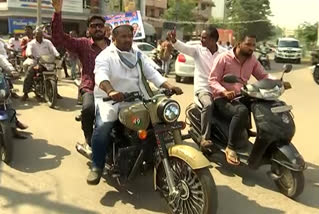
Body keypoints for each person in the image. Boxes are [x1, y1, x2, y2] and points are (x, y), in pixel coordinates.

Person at [88, 24, 183, 185]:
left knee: (159, 119)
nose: (128, 39)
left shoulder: (138, 54)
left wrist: (168, 86)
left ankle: (153, 154)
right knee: (103, 126)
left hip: (138, 98)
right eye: (123, 36)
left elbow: (152, 73)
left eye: (130, 36)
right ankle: (97, 165)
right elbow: (101, 75)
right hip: (111, 100)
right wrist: (110, 90)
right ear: (114, 38)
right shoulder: (105, 56)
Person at [51, 0, 111, 148]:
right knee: (88, 108)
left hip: (114, 87)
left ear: (105, 29)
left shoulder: (114, 46)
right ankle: (89, 138)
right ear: (88, 30)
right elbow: (59, 38)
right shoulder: (82, 44)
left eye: (100, 25)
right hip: (90, 87)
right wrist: (57, 12)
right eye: (93, 26)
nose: (97, 28)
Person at [209, 34, 270, 166]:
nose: (251, 48)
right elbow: (212, 80)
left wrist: (277, 82)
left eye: (253, 45)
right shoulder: (223, 58)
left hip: (241, 95)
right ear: (239, 44)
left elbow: (263, 75)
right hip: (222, 98)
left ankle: (248, 130)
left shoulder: (252, 60)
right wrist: (224, 91)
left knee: (261, 103)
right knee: (241, 111)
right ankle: (230, 147)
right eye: (248, 44)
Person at [167, 25, 226, 150]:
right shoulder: (198, 50)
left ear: (213, 39)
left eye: (204, 38)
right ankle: (205, 138)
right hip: (204, 89)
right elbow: (184, 48)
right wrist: (174, 41)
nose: (201, 40)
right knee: (208, 105)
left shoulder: (224, 53)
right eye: (201, 37)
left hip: (220, 89)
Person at [21, 28, 60, 101]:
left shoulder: (47, 42)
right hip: (35, 62)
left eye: (40, 35)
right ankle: (25, 93)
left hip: (47, 62)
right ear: (34, 35)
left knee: (54, 75)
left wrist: (57, 54)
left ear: (42, 35)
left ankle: (55, 92)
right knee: (29, 73)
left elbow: (53, 49)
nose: (38, 37)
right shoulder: (31, 43)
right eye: (37, 35)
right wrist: (29, 54)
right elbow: (28, 50)